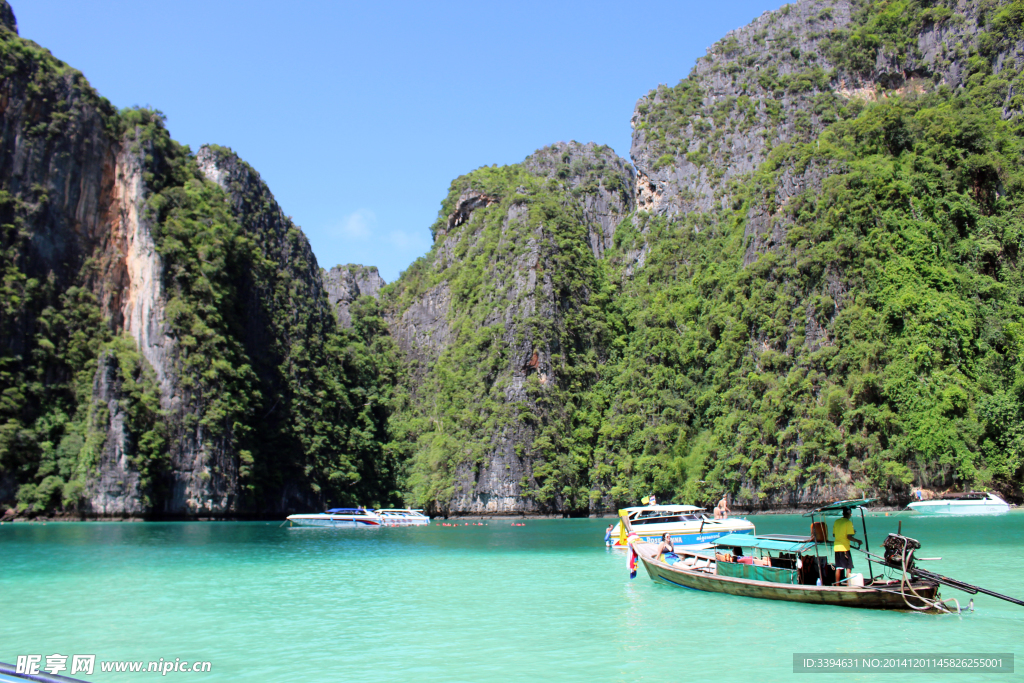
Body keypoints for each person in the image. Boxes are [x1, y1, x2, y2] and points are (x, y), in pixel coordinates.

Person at [833, 507, 860, 585]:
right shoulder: (848, 522)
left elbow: (834, 534)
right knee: (849, 567)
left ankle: (837, 585)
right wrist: (858, 541)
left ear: (843, 513)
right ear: (850, 514)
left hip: (836, 547)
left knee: (838, 567)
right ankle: (849, 585)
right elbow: (849, 537)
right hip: (844, 548)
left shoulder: (837, 521)